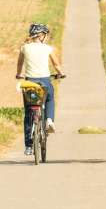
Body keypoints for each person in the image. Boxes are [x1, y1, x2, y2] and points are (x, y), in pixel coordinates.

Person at [16, 23, 65, 156]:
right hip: (44, 81)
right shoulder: (48, 48)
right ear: (42, 36)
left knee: (28, 112)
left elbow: (20, 64)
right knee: (49, 98)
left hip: (30, 83)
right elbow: (56, 64)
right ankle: (49, 120)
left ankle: (28, 146)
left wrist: (19, 74)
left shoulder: (24, 48)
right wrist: (60, 73)